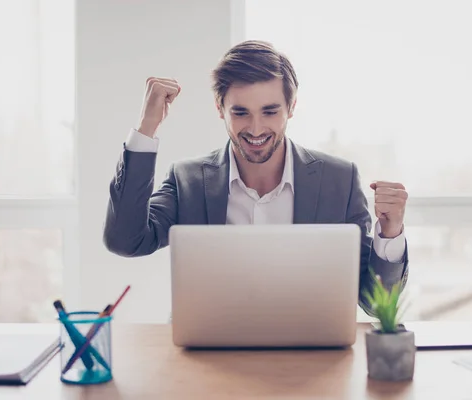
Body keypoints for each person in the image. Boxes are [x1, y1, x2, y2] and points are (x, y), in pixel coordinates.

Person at [103, 40, 409, 314]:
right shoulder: (189, 180)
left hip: (309, 359)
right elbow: (125, 241)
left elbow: (373, 300)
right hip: (208, 358)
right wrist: (147, 128)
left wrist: (391, 232)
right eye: (240, 113)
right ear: (219, 108)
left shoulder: (338, 180)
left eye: (270, 111)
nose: (256, 128)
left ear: (291, 107)